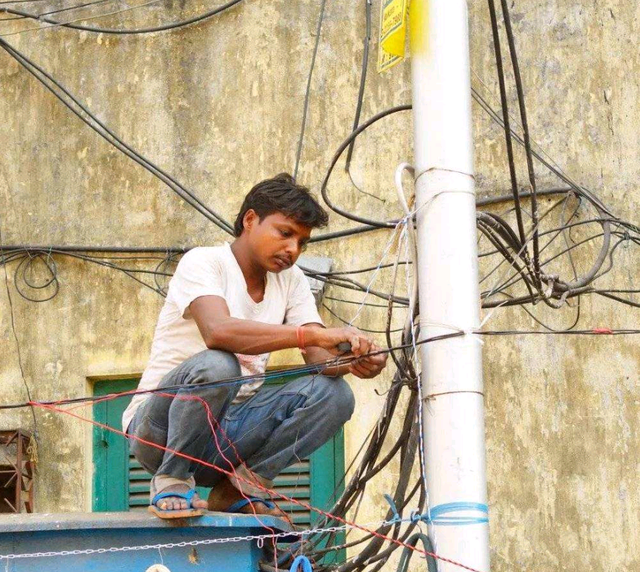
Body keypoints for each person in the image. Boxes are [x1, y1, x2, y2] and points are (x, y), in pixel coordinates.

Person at [123, 173, 388, 519]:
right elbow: (217, 332)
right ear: (250, 220)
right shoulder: (204, 262)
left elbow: (321, 362)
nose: (293, 249)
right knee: (219, 365)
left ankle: (239, 487)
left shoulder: (291, 280)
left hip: (229, 434)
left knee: (335, 394)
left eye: (302, 242)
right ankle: (172, 477)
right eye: (285, 233)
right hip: (161, 432)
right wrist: (313, 335)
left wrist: (355, 358)